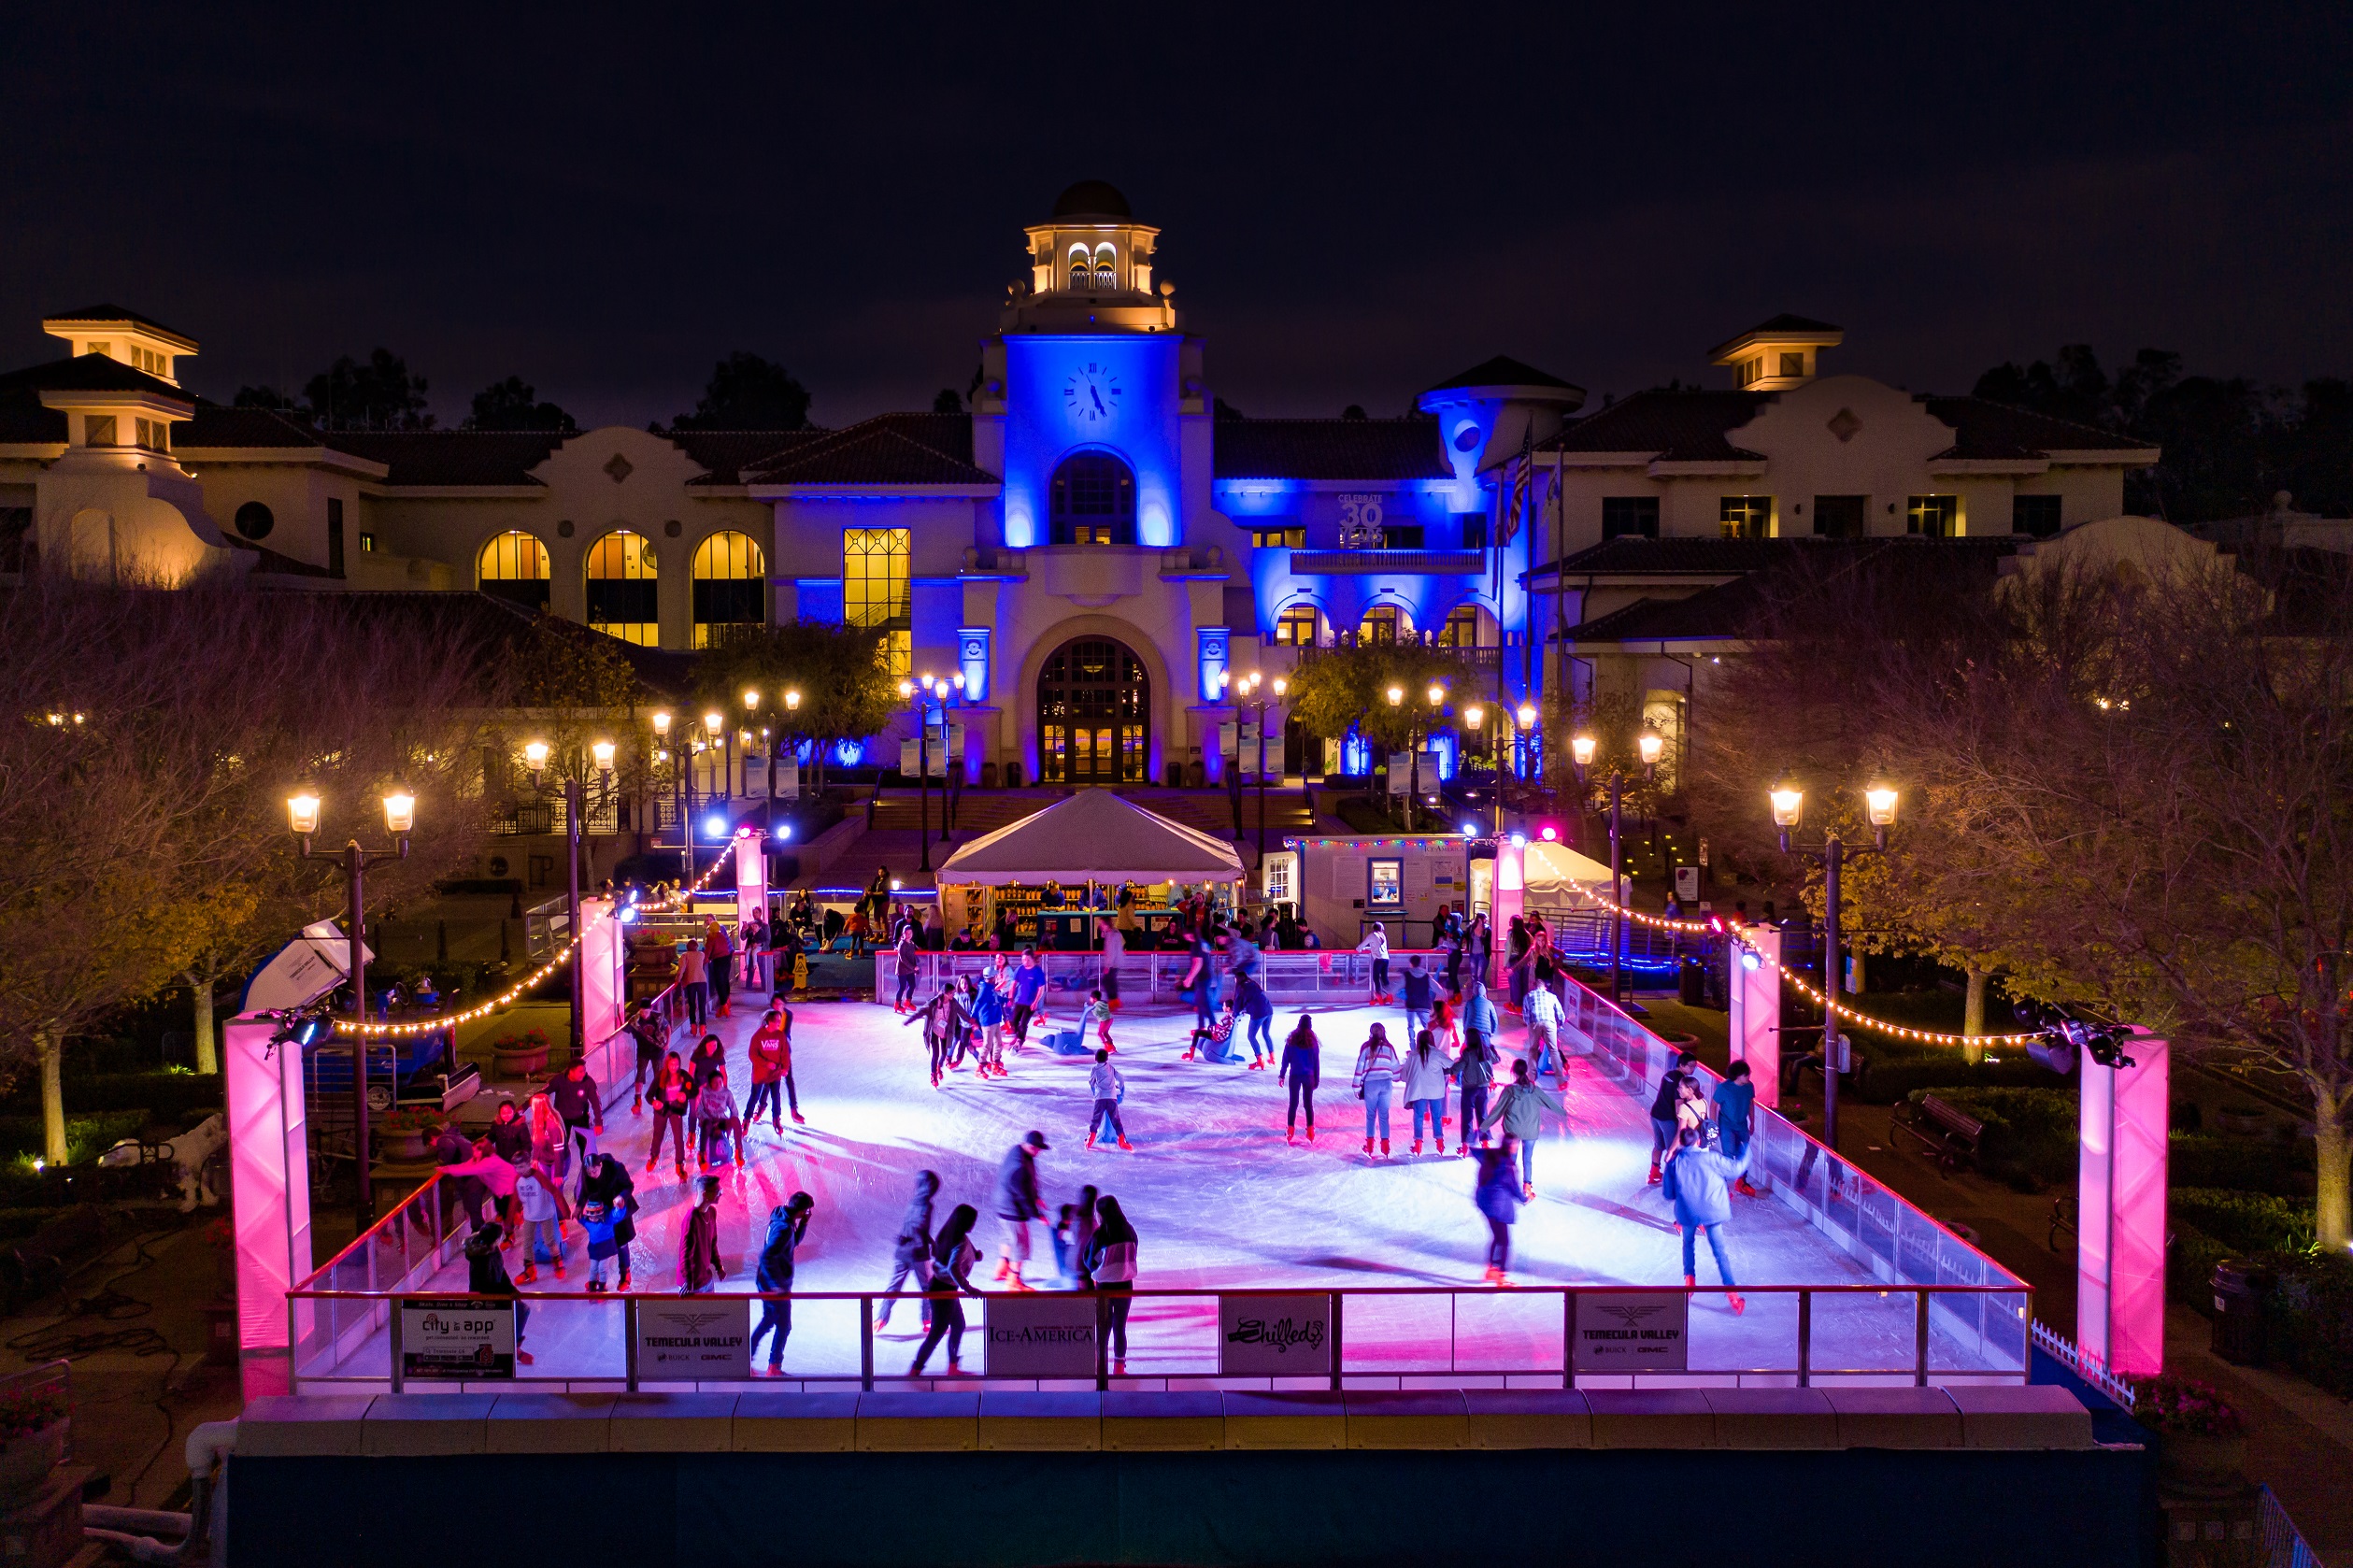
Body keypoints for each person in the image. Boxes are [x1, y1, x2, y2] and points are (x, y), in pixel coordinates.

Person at [1664, 1125, 1750, 1313]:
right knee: (1720, 1254)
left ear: (1682, 1143)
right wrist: (1746, 1151)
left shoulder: (1675, 1162)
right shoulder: (1712, 1158)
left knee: (1688, 1244)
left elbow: (1668, 1193)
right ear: (1698, 1141)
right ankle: (1733, 1297)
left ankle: (1689, 1285)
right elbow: (1736, 1169)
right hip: (1711, 1212)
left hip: (1687, 1212)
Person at [910, 1204, 981, 1376]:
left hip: (944, 1287)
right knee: (938, 1331)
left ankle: (952, 1367)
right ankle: (916, 1370)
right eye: (972, 1222)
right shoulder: (959, 1241)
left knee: (958, 1325)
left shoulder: (950, 1233)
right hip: (943, 1289)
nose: (973, 1225)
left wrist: (976, 1255)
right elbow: (953, 1268)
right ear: (965, 1223)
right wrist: (968, 1288)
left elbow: (949, 1256)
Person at [749, 1192, 816, 1375]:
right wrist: (775, 1285)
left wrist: (803, 1224)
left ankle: (764, 1363)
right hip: (773, 1285)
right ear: (802, 1210)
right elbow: (766, 1256)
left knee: (771, 1321)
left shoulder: (783, 1219)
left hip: (771, 1282)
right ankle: (773, 1366)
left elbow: (792, 1243)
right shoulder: (783, 1228)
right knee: (781, 1324)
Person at [1483, 1059, 1565, 1200]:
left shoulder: (1509, 1091)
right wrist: (1563, 1112)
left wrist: (1484, 1126)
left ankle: (1508, 1187)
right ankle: (1527, 1187)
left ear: (1513, 1072)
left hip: (1513, 1132)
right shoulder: (1535, 1091)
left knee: (1510, 1161)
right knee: (1527, 1159)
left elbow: (1498, 1110)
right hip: (1530, 1131)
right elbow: (1550, 1103)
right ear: (1526, 1071)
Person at [877, 1170, 938, 1332]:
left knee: (894, 1286)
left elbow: (916, 1227)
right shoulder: (927, 1205)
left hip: (902, 1251)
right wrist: (924, 1245)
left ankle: (881, 1318)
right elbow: (919, 1227)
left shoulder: (913, 1202)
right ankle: (928, 1320)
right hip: (918, 1254)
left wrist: (929, 1242)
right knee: (928, 1288)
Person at [464, 1219, 532, 1364]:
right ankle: (513, 1347)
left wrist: (511, 1290)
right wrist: (507, 1295)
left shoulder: (493, 1249)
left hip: (495, 1293)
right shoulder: (482, 1258)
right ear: (495, 1239)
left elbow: (501, 1272)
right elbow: (486, 1286)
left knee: (522, 1309)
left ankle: (513, 1346)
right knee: (521, 1310)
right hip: (483, 1299)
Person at [1085, 1194, 1139, 1369]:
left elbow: (1089, 1260)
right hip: (1125, 1284)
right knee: (1119, 1327)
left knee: (1103, 1327)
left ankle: (1100, 1366)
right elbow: (1134, 1251)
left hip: (1104, 1287)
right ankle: (1119, 1366)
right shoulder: (1129, 1230)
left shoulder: (1100, 1235)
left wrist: (1100, 1267)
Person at [992, 1131, 1049, 1289]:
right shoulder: (1019, 1167)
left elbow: (1027, 1183)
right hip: (1012, 1209)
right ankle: (1013, 1280)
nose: (1039, 1152)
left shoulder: (1018, 1150)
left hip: (1002, 1203)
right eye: (1037, 1149)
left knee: (1008, 1236)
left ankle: (1001, 1270)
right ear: (1030, 1146)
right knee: (1021, 1244)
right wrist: (1038, 1215)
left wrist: (1036, 1197)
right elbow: (1023, 1197)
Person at [576, 1150, 637, 1291]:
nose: (592, 1174)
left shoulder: (616, 1168)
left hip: (618, 1210)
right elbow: (584, 1192)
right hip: (599, 1212)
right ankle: (595, 1278)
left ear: (601, 1165)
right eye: (589, 1172)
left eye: (594, 1171)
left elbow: (629, 1186)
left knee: (621, 1242)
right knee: (599, 1242)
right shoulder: (586, 1175)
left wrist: (621, 1197)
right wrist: (579, 1207)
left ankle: (625, 1274)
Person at [512, 1157, 568, 1284]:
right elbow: (515, 1199)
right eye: (516, 1168)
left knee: (549, 1240)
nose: (519, 1170)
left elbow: (554, 1191)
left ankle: (557, 1262)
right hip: (529, 1215)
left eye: (521, 1167)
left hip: (545, 1214)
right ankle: (529, 1270)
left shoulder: (539, 1177)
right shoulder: (518, 1180)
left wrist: (564, 1211)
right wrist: (513, 1217)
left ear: (528, 1165)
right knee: (527, 1244)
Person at [1475, 1140, 1523, 1284]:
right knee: (1505, 1240)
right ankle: (1501, 1275)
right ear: (1510, 1146)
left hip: (1485, 1202)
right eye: (1515, 1144)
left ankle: (1491, 1270)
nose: (1517, 1147)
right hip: (1497, 1205)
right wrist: (1525, 1198)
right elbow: (1513, 1188)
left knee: (1497, 1236)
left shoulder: (1491, 1157)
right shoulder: (1507, 1166)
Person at [545, 1058, 603, 1176]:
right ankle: (559, 1170)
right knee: (560, 1145)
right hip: (562, 1119)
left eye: (584, 1071)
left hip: (580, 1117)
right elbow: (544, 1092)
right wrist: (524, 1107)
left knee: (585, 1145)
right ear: (571, 1071)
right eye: (580, 1071)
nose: (584, 1074)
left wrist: (598, 1123)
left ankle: (589, 1171)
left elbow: (596, 1103)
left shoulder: (588, 1082)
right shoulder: (559, 1080)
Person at [1648, 1051, 1699, 1186]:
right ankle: (1673, 1181)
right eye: (1691, 1066)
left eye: (1695, 1066)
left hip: (1656, 1114)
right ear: (1681, 1065)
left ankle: (1654, 1173)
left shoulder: (1668, 1075)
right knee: (1674, 1149)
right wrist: (1681, 1124)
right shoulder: (1681, 1081)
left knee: (1658, 1146)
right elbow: (1679, 1104)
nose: (1693, 1069)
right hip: (1667, 1119)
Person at [1447, 1019, 1497, 1158]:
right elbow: (1496, 1060)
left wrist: (1448, 1071)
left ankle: (1465, 1145)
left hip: (1469, 1089)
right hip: (1483, 1088)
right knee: (1482, 1114)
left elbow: (1458, 1068)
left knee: (1467, 1117)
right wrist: (1491, 1049)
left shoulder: (1468, 1053)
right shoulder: (1486, 1051)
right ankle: (1485, 1141)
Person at [1352, 1020, 1401, 1158]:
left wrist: (1356, 1086)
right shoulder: (1389, 1048)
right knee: (1384, 1115)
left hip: (1371, 1084)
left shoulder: (1366, 1048)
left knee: (1371, 1115)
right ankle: (1385, 1146)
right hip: (1386, 1083)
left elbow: (1360, 1066)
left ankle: (1370, 1145)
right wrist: (1396, 1077)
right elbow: (1396, 1068)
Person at [1712, 1061, 1761, 1196]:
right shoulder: (1724, 1088)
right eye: (1746, 1074)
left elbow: (1751, 1104)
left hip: (1742, 1124)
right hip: (1726, 1124)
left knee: (1743, 1153)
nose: (1749, 1076)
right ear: (1738, 1075)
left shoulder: (1749, 1086)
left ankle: (1741, 1182)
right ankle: (1723, 1186)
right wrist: (1714, 1124)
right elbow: (1713, 1105)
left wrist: (1752, 1121)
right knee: (1729, 1153)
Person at [1402, 1027, 1452, 1157]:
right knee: (1436, 1117)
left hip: (1419, 1091)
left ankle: (1418, 1144)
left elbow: (1404, 1075)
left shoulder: (1413, 1055)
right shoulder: (1437, 1053)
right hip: (1435, 1091)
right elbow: (1451, 1065)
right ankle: (1440, 1143)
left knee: (1418, 1117)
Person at [646, 1052, 692, 1177]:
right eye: (671, 1064)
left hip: (676, 1110)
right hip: (662, 1111)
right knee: (658, 1136)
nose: (674, 1067)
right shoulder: (661, 1076)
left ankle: (679, 1163)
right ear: (667, 1064)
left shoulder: (683, 1076)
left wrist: (685, 1095)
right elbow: (648, 1095)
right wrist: (655, 1102)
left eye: (676, 1064)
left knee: (678, 1138)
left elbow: (693, 1089)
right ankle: (654, 1156)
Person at [679, 1175, 726, 1293]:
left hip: (706, 1279)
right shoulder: (691, 1219)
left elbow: (712, 1243)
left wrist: (719, 1267)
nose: (721, 1194)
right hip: (693, 1284)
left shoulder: (712, 1212)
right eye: (717, 1191)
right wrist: (689, 1281)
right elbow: (685, 1253)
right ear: (705, 1194)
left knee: (711, 1311)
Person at [1278, 1014, 1319, 1143]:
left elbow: (1285, 1059)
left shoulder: (1292, 1040)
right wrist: (1316, 1078)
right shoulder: (1312, 1042)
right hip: (1309, 1076)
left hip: (1295, 1075)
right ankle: (1311, 1130)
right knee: (1308, 1104)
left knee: (1293, 1104)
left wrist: (1282, 1074)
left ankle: (1290, 1130)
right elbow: (1316, 1062)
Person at [696, 1064, 745, 1169]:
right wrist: (708, 1120)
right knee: (707, 1124)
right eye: (715, 1083)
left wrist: (729, 1125)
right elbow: (699, 1110)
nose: (718, 1085)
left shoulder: (726, 1093)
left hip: (721, 1120)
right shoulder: (704, 1092)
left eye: (720, 1082)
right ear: (710, 1083)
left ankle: (739, 1151)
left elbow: (734, 1111)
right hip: (708, 1121)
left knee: (735, 1121)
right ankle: (702, 1154)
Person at [1087, 1048, 1132, 1151]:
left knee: (1096, 1119)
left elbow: (1091, 1082)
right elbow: (1121, 1078)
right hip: (1112, 1097)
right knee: (1116, 1120)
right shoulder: (1111, 1068)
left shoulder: (1094, 1069)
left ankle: (1090, 1139)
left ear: (1096, 1058)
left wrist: (1095, 1088)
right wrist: (1119, 1087)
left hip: (1100, 1098)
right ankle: (1121, 1140)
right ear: (1107, 1058)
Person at [627, 1004, 667, 1115]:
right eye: (642, 1011)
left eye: (646, 1012)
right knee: (640, 1074)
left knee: (659, 1075)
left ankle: (660, 1098)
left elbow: (667, 1027)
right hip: (643, 1052)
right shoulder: (635, 1020)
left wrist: (667, 1043)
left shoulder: (657, 1018)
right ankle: (638, 1100)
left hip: (657, 1051)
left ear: (651, 1010)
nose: (644, 1014)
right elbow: (624, 1029)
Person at [1522, 980, 1565, 1082]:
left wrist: (1530, 1025)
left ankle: (1531, 1078)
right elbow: (1560, 1014)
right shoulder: (1552, 997)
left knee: (1533, 1049)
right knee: (1553, 1050)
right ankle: (1560, 1080)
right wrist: (1560, 1023)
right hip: (1549, 1022)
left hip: (1534, 1022)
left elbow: (1525, 1015)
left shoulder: (1528, 996)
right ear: (1544, 987)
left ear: (1534, 987)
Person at [1008, 948, 1048, 1048]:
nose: (1025, 962)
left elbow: (1041, 989)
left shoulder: (1038, 972)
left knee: (1023, 1023)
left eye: (1027, 960)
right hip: (1019, 1000)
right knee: (1013, 1021)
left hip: (1030, 1002)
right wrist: (1011, 997)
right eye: (1023, 960)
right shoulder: (1020, 969)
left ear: (1033, 959)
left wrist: (1035, 1002)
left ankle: (1020, 1040)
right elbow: (1013, 984)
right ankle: (1018, 1036)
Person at [1236, 967, 1275, 1068]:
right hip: (1269, 1009)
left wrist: (1235, 1013)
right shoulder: (1253, 983)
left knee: (1251, 1036)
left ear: (1238, 978)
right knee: (1266, 1033)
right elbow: (1255, 998)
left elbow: (1238, 1002)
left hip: (1259, 1012)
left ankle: (1260, 1060)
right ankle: (1272, 1057)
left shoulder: (1241, 987)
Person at [1462, 977, 1498, 1067]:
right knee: (1486, 1053)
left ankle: (1470, 1070)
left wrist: (1465, 1030)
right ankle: (1489, 1074)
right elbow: (1494, 1019)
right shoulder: (1489, 1003)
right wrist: (1492, 1031)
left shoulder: (1469, 1003)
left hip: (1470, 1032)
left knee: (1470, 1053)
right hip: (1484, 1032)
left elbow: (1464, 1018)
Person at [1401, 955, 1434, 1047]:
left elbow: (1397, 986)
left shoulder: (1407, 975)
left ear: (1411, 963)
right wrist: (1444, 993)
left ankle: (1412, 1045)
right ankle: (1429, 1045)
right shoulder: (1426, 975)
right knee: (1427, 1027)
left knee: (1411, 1026)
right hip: (1424, 1004)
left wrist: (1387, 991)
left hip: (1411, 1004)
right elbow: (1436, 987)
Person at [706, 919, 735, 1019]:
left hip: (718, 960)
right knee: (725, 980)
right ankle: (727, 1001)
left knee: (719, 982)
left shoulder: (711, 937)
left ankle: (724, 1005)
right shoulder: (722, 936)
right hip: (727, 958)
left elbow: (708, 951)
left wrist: (705, 960)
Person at [677, 940, 709, 1027]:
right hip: (702, 981)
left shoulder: (684, 956)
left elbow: (681, 970)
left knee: (692, 1005)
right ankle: (703, 1025)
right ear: (696, 947)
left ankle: (693, 1025)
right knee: (702, 1004)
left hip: (690, 982)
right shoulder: (701, 955)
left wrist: (678, 979)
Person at [1358, 923, 1391, 1004]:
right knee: (1384, 978)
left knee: (1376, 978)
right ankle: (1389, 996)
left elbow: (1362, 945)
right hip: (1386, 958)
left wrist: (1359, 949)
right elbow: (1377, 946)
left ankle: (1379, 996)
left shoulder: (1372, 935)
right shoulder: (1383, 935)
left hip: (1378, 959)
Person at [892, 927, 920, 1012]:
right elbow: (903, 959)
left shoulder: (912, 943)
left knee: (912, 985)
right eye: (907, 933)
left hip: (910, 969)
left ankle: (907, 1002)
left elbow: (912, 957)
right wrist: (913, 967)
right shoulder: (902, 944)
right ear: (903, 934)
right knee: (902, 987)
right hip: (902, 969)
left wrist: (915, 967)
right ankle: (897, 1004)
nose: (909, 935)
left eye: (910, 933)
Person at [1099, 919, 1124, 1010]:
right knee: (1111, 982)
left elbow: (1111, 952)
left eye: (1101, 924)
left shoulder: (1111, 936)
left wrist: (1108, 966)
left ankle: (1112, 1002)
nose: (1100, 926)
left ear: (1106, 924)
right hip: (1117, 962)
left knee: (1106, 982)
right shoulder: (1115, 933)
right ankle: (1115, 1001)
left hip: (1112, 963)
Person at [1087, 988, 1116, 1053]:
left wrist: (1091, 1009)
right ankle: (1112, 1046)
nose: (1090, 999)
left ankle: (1106, 1046)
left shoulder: (1097, 1004)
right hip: (1110, 1019)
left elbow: (1096, 1013)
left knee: (1099, 1033)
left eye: (1090, 998)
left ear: (1095, 999)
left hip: (1105, 1020)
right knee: (1105, 1033)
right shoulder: (1103, 1002)